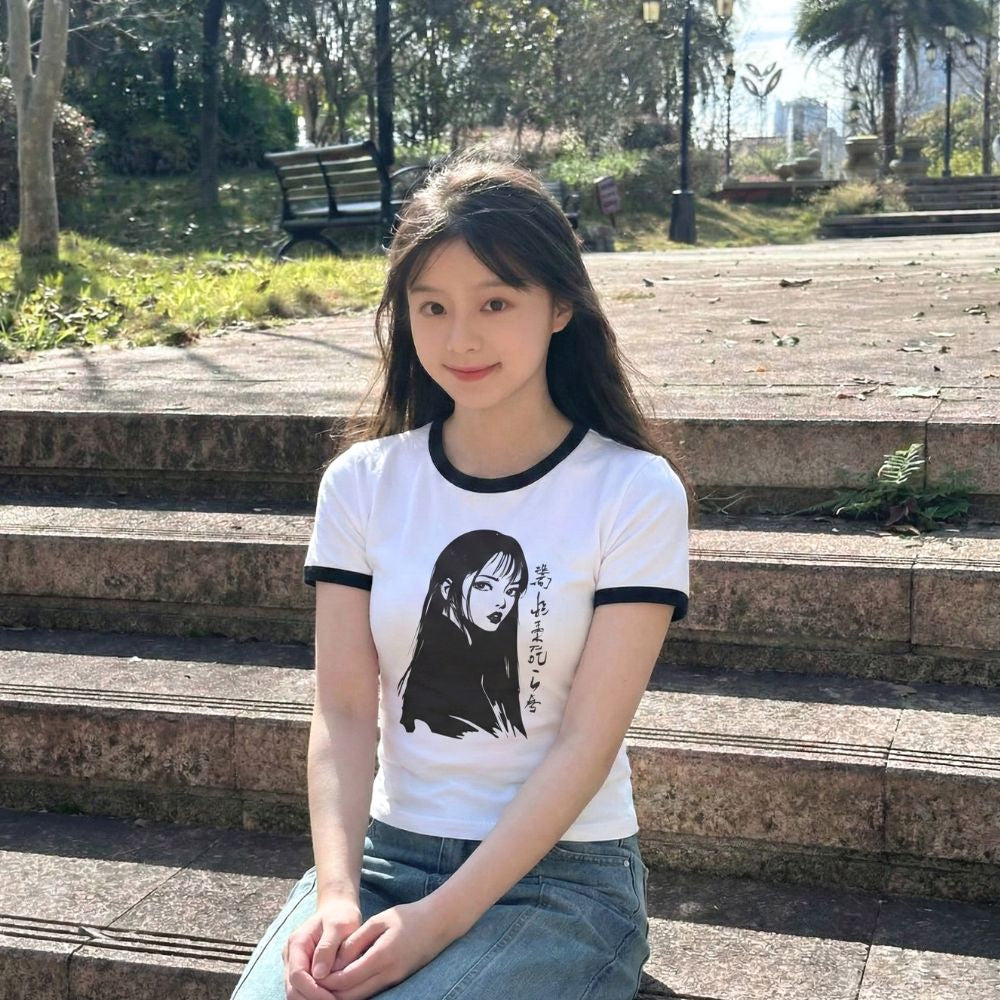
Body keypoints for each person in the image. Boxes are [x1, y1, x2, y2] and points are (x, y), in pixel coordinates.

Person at [230, 155, 692, 1000]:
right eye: (431, 307)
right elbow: (340, 707)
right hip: (383, 860)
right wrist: (336, 896)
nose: (460, 339)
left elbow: (588, 742)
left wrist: (435, 924)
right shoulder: (363, 483)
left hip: (563, 880)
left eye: (495, 303)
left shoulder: (632, 491)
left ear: (560, 306)